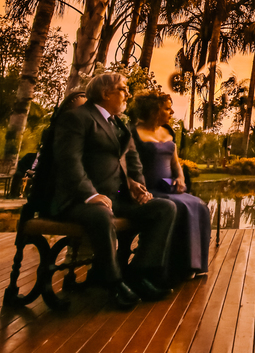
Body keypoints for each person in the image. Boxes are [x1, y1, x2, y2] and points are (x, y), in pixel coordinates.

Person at [52, 72, 177, 310]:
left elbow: (133, 161)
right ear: (105, 93)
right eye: (123, 89)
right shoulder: (77, 119)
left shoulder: (119, 124)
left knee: (164, 208)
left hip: (116, 198)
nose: (127, 94)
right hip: (79, 201)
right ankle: (113, 281)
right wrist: (90, 195)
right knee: (101, 214)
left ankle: (139, 275)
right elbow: (69, 161)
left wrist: (137, 188)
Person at [129, 90, 210, 277]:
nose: (171, 112)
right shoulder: (134, 133)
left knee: (199, 205)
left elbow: (175, 163)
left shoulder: (166, 131)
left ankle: (194, 264)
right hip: (149, 190)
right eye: (167, 108)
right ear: (154, 110)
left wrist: (180, 179)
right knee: (181, 207)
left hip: (169, 187)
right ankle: (174, 267)